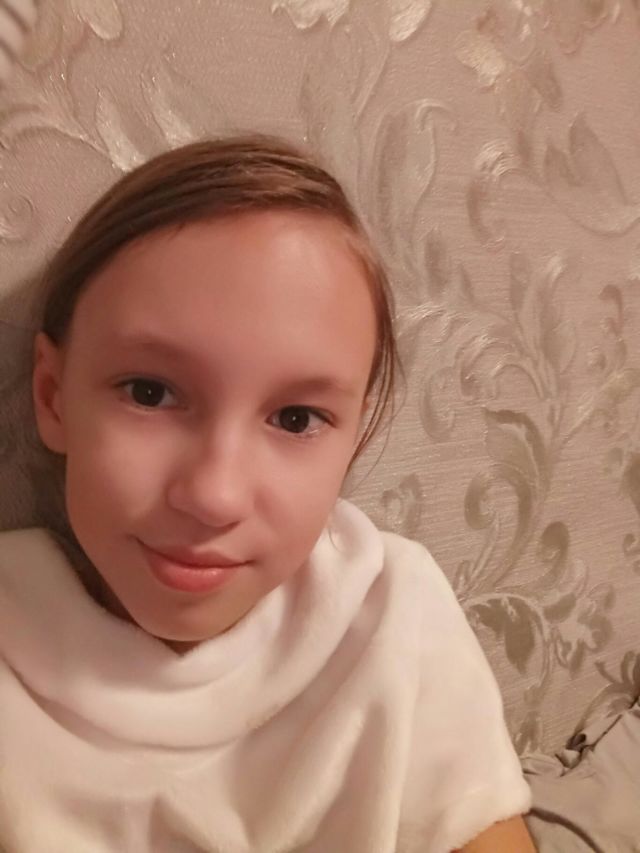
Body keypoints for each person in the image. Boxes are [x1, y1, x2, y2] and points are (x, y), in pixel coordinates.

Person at [0, 135, 536, 852]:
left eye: (296, 419)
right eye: (150, 392)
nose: (215, 496)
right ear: (53, 395)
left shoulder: (394, 615)